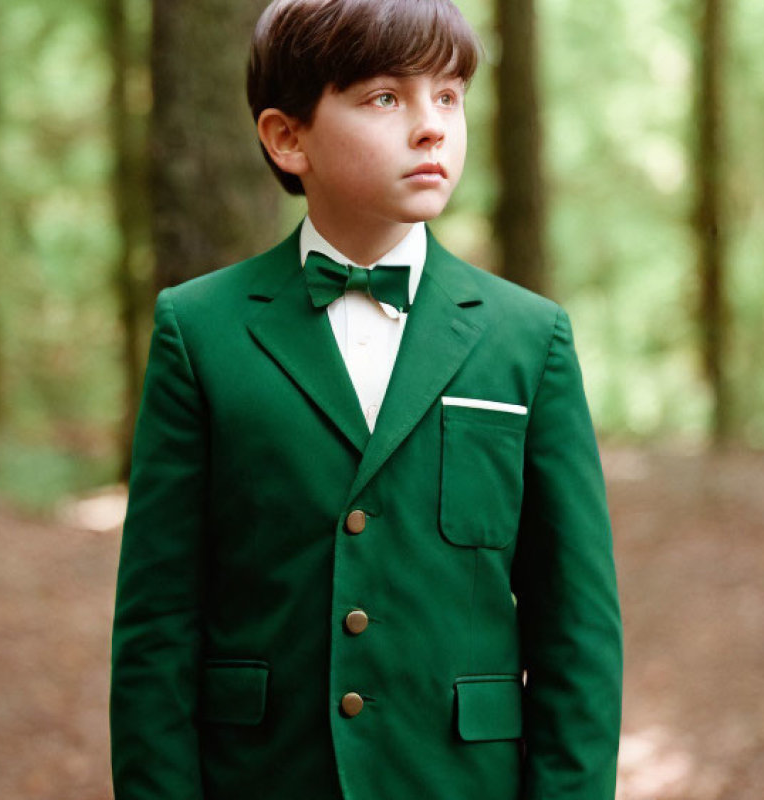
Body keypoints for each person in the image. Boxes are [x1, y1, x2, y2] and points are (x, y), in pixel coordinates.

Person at [109, 0, 623, 798]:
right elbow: (157, 627)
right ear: (288, 137)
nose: (431, 127)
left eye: (448, 96)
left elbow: (577, 628)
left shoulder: (530, 338)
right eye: (387, 97)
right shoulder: (199, 331)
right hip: (265, 777)